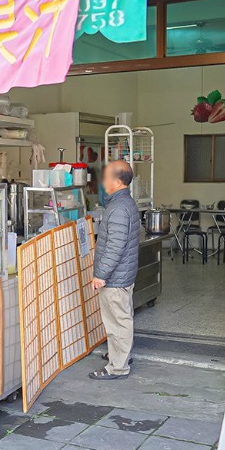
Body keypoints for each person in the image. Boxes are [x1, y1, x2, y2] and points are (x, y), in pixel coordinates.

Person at [90, 160, 140, 380]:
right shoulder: (123, 203)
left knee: (118, 321)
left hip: (116, 278)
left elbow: (115, 246)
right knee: (120, 318)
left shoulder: (119, 208)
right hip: (122, 274)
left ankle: (118, 366)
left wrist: (101, 274)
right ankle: (120, 354)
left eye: (107, 176)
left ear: (118, 181)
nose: (103, 181)